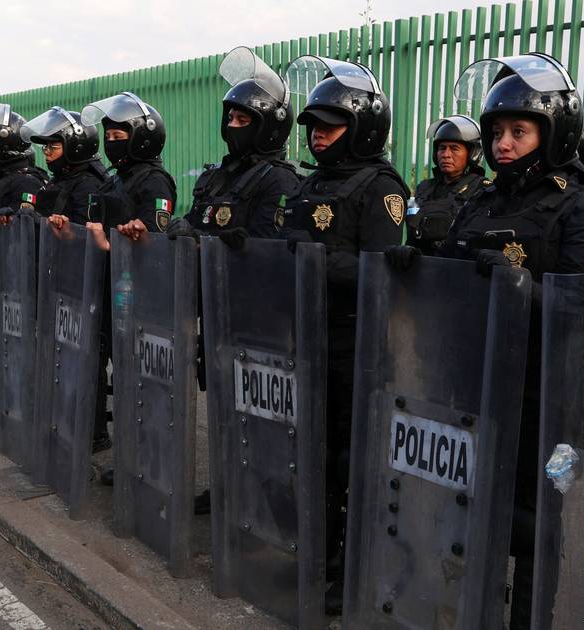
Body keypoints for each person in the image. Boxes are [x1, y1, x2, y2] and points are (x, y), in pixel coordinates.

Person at [388, 53, 584, 628]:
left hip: (543, 393)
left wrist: (514, 285)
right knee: (469, 508)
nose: (503, 144)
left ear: (552, 131)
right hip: (472, 383)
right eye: (495, 133)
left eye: (518, 131)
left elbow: (580, 305)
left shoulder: (581, 204)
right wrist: (422, 267)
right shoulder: (483, 201)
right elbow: (454, 282)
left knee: (535, 522)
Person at [280, 54, 410, 614]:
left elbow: (384, 273)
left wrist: (314, 263)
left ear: (360, 127)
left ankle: (354, 566)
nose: (317, 139)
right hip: (309, 337)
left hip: (358, 345)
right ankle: (320, 555)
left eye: (329, 128)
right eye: (312, 130)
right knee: (313, 452)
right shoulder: (313, 184)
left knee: (352, 459)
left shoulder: (380, 186)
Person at [167, 47, 300, 247]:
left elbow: (264, 247)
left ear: (268, 128)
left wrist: (200, 241)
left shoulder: (279, 180)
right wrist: (182, 228)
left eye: (242, 119)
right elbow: (195, 223)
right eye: (230, 118)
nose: (232, 126)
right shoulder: (215, 177)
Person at [81, 92, 176, 239]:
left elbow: (155, 242)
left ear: (141, 140)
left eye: (117, 137)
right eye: (108, 137)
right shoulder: (113, 181)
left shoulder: (155, 182)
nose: (111, 142)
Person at [406, 115, 489, 255]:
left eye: (454, 148)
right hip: (421, 269)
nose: (446, 154)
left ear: (473, 153)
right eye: (442, 148)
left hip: (457, 269)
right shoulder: (424, 189)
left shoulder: (482, 189)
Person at [21, 105, 108, 224]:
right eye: (46, 147)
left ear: (74, 147)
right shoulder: (60, 179)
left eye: (52, 147)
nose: (47, 153)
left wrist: (39, 222)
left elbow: (83, 234)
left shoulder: (88, 185)